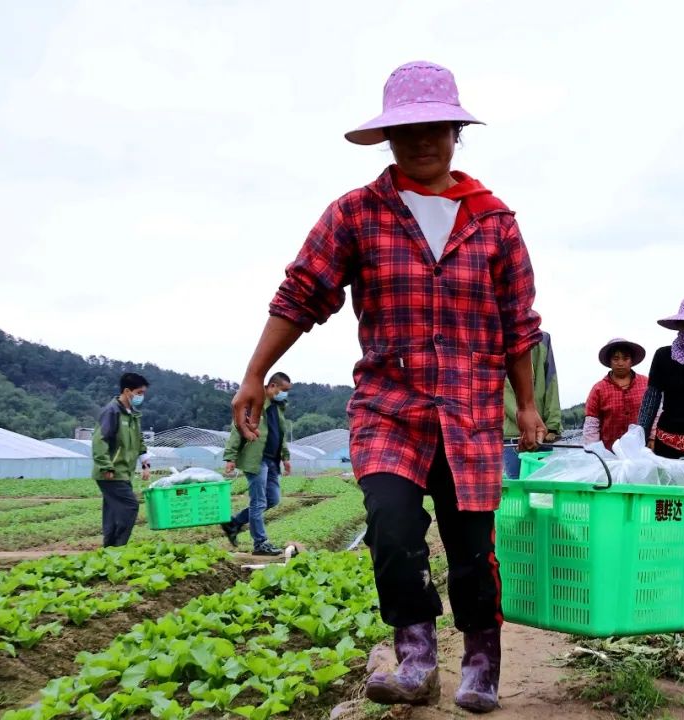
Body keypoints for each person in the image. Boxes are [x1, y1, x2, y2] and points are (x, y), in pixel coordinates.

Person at [229, 61, 543, 713]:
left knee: (470, 550)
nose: (423, 141)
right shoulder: (356, 213)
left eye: (436, 128)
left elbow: (520, 323)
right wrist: (256, 373)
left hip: (470, 414)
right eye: (407, 130)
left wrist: (531, 406)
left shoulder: (494, 222)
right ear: (389, 139)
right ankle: (416, 655)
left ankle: (481, 661)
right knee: (392, 528)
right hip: (388, 410)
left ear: (457, 132)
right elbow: (302, 292)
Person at [220, 372, 293, 556]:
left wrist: (285, 457)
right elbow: (238, 429)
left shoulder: (278, 408)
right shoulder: (255, 403)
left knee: (273, 499)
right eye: (283, 390)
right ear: (272, 386)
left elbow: (281, 435)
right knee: (258, 502)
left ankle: (234, 523)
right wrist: (230, 457)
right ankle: (260, 543)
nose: (285, 394)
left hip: (272, 460)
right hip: (256, 459)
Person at [636, 298, 684, 458]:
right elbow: (651, 399)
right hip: (667, 442)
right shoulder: (663, 355)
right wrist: (640, 438)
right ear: (679, 326)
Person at [91, 372, 150, 547]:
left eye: (143, 393)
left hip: (124, 472)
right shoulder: (112, 411)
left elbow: (138, 440)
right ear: (127, 391)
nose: (141, 397)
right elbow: (99, 440)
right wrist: (106, 466)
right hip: (112, 472)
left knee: (113, 512)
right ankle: (119, 547)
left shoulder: (132, 414)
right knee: (129, 506)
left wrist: (145, 462)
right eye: (139, 392)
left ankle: (109, 549)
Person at [502, 331, 561, 478]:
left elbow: (550, 380)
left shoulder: (543, 338)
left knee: (542, 492)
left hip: (542, 432)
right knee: (514, 488)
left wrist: (553, 425)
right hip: (509, 434)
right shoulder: (492, 336)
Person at [583, 338, 647, 451]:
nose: (620, 363)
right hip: (609, 452)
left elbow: (656, 414)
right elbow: (591, 426)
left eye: (625, 358)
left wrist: (652, 439)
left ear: (631, 361)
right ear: (609, 361)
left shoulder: (646, 384)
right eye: (615, 359)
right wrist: (594, 452)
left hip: (642, 450)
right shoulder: (598, 389)